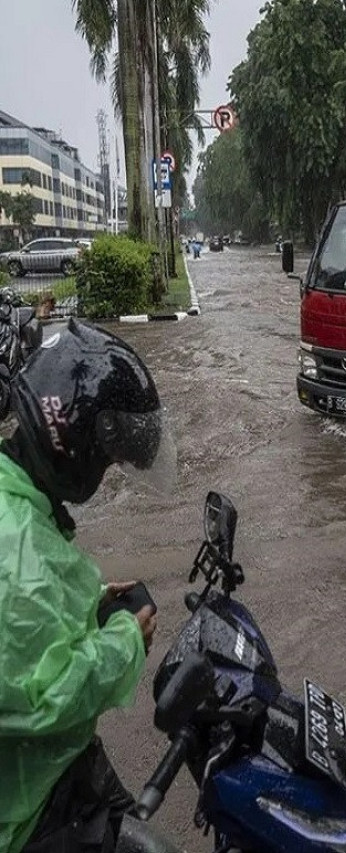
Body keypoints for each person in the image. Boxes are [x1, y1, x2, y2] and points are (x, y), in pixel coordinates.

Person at [0, 319, 168, 853]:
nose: (106, 470)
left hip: (52, 772)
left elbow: (21, 631)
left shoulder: (18, 503)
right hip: (25, 817)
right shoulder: (18, 551)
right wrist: (121, 641)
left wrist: (90, 608)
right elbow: (44, 698)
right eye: (108, 456)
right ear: (73, 442)